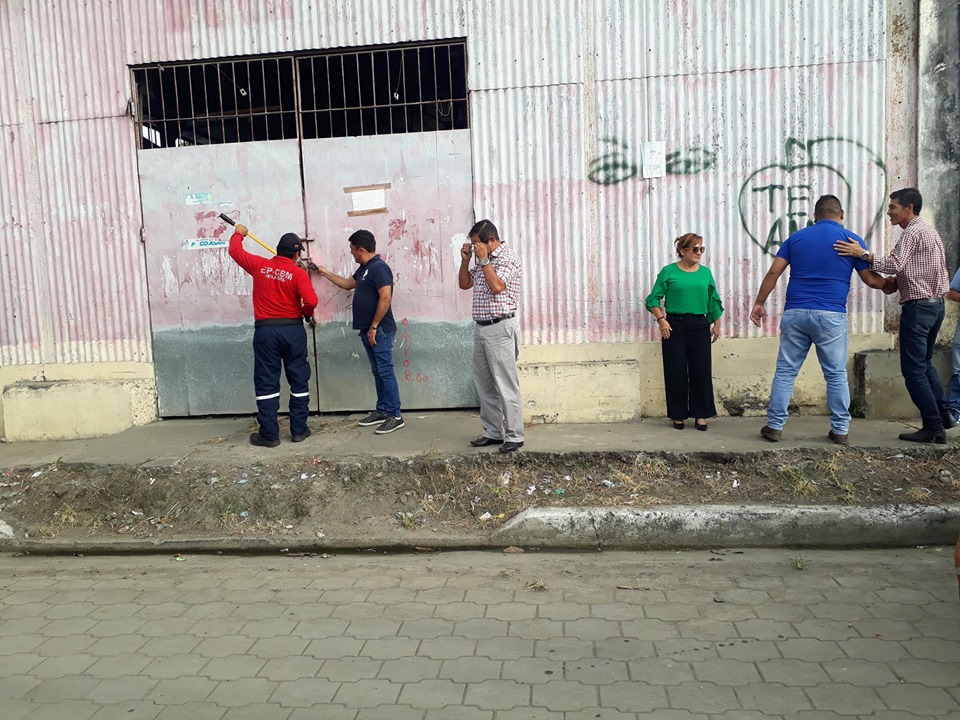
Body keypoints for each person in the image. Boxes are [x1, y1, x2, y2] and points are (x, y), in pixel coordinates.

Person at [751, 195, 889, 444]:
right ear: (841, 214)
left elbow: (773, 272)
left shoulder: (796, 238)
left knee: (785, 372)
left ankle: (774, 426)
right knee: (835, 374)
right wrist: (889, 285)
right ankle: (840, 430)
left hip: (796, 312)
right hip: (831, 315)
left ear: (815, 216)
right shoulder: (851, 241)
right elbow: (870, 279)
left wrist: (760, 303)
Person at [835, 188, 952, 443]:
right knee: (924, 364)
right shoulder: (928, 231)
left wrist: (861, 253)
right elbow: (920, 269)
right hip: (935, 306)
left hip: (918, 308)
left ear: (909, 208)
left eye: (893, 207)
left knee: (913, 370)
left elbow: (895, 263)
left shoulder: (913, 232)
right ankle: (944, 417)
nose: (889, 212)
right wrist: (894, 283)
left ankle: (933, 428)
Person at [229, 225, 318, 447]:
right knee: (299, 379)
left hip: (266, 332)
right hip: (293, 331)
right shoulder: (298, 273)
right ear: (296, 254)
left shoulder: (260, 265)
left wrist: (239, 233)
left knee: (267, 381)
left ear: (277, 250)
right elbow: (311, 301)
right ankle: (299, 430)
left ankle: (269, 435)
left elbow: (235, 251)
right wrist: (306, 313)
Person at [316, 230, 403, 435]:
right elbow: (348, 285)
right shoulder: (365, 269)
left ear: (361, 249)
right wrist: (324, 272)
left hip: (379, 330)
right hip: (368, 330)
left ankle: (395, 415)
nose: (351, 253)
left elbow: (385, 297)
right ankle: (383, 410)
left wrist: (374, 326)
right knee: (378, 371)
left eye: (352, 249)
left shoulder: (379, 268)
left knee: (385, 371)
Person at [645, 233, 723, 431]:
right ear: (683, 251)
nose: (699, 253)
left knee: (701, 370)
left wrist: (716, 323)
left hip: (700, 324)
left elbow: (713, 299)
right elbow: (653, 299)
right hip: (674, 325)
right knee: (676, 370)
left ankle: (700, 414)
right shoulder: (668, 272)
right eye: (695, 249)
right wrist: (661, 320)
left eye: (701, 249)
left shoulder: (705, 273)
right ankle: (677, 414)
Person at [458, 219, 524, 453]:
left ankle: (515, 435)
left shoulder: (507, 259)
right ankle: (493, 432)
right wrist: (466, 260)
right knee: (484, 384)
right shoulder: (481, 261)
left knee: (505, 384)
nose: (475, 248)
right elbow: (464, 284)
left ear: (492, 240)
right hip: (481, 328)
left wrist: (484, 260)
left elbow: (497, 287)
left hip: (500, 327)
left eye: (477, 244)